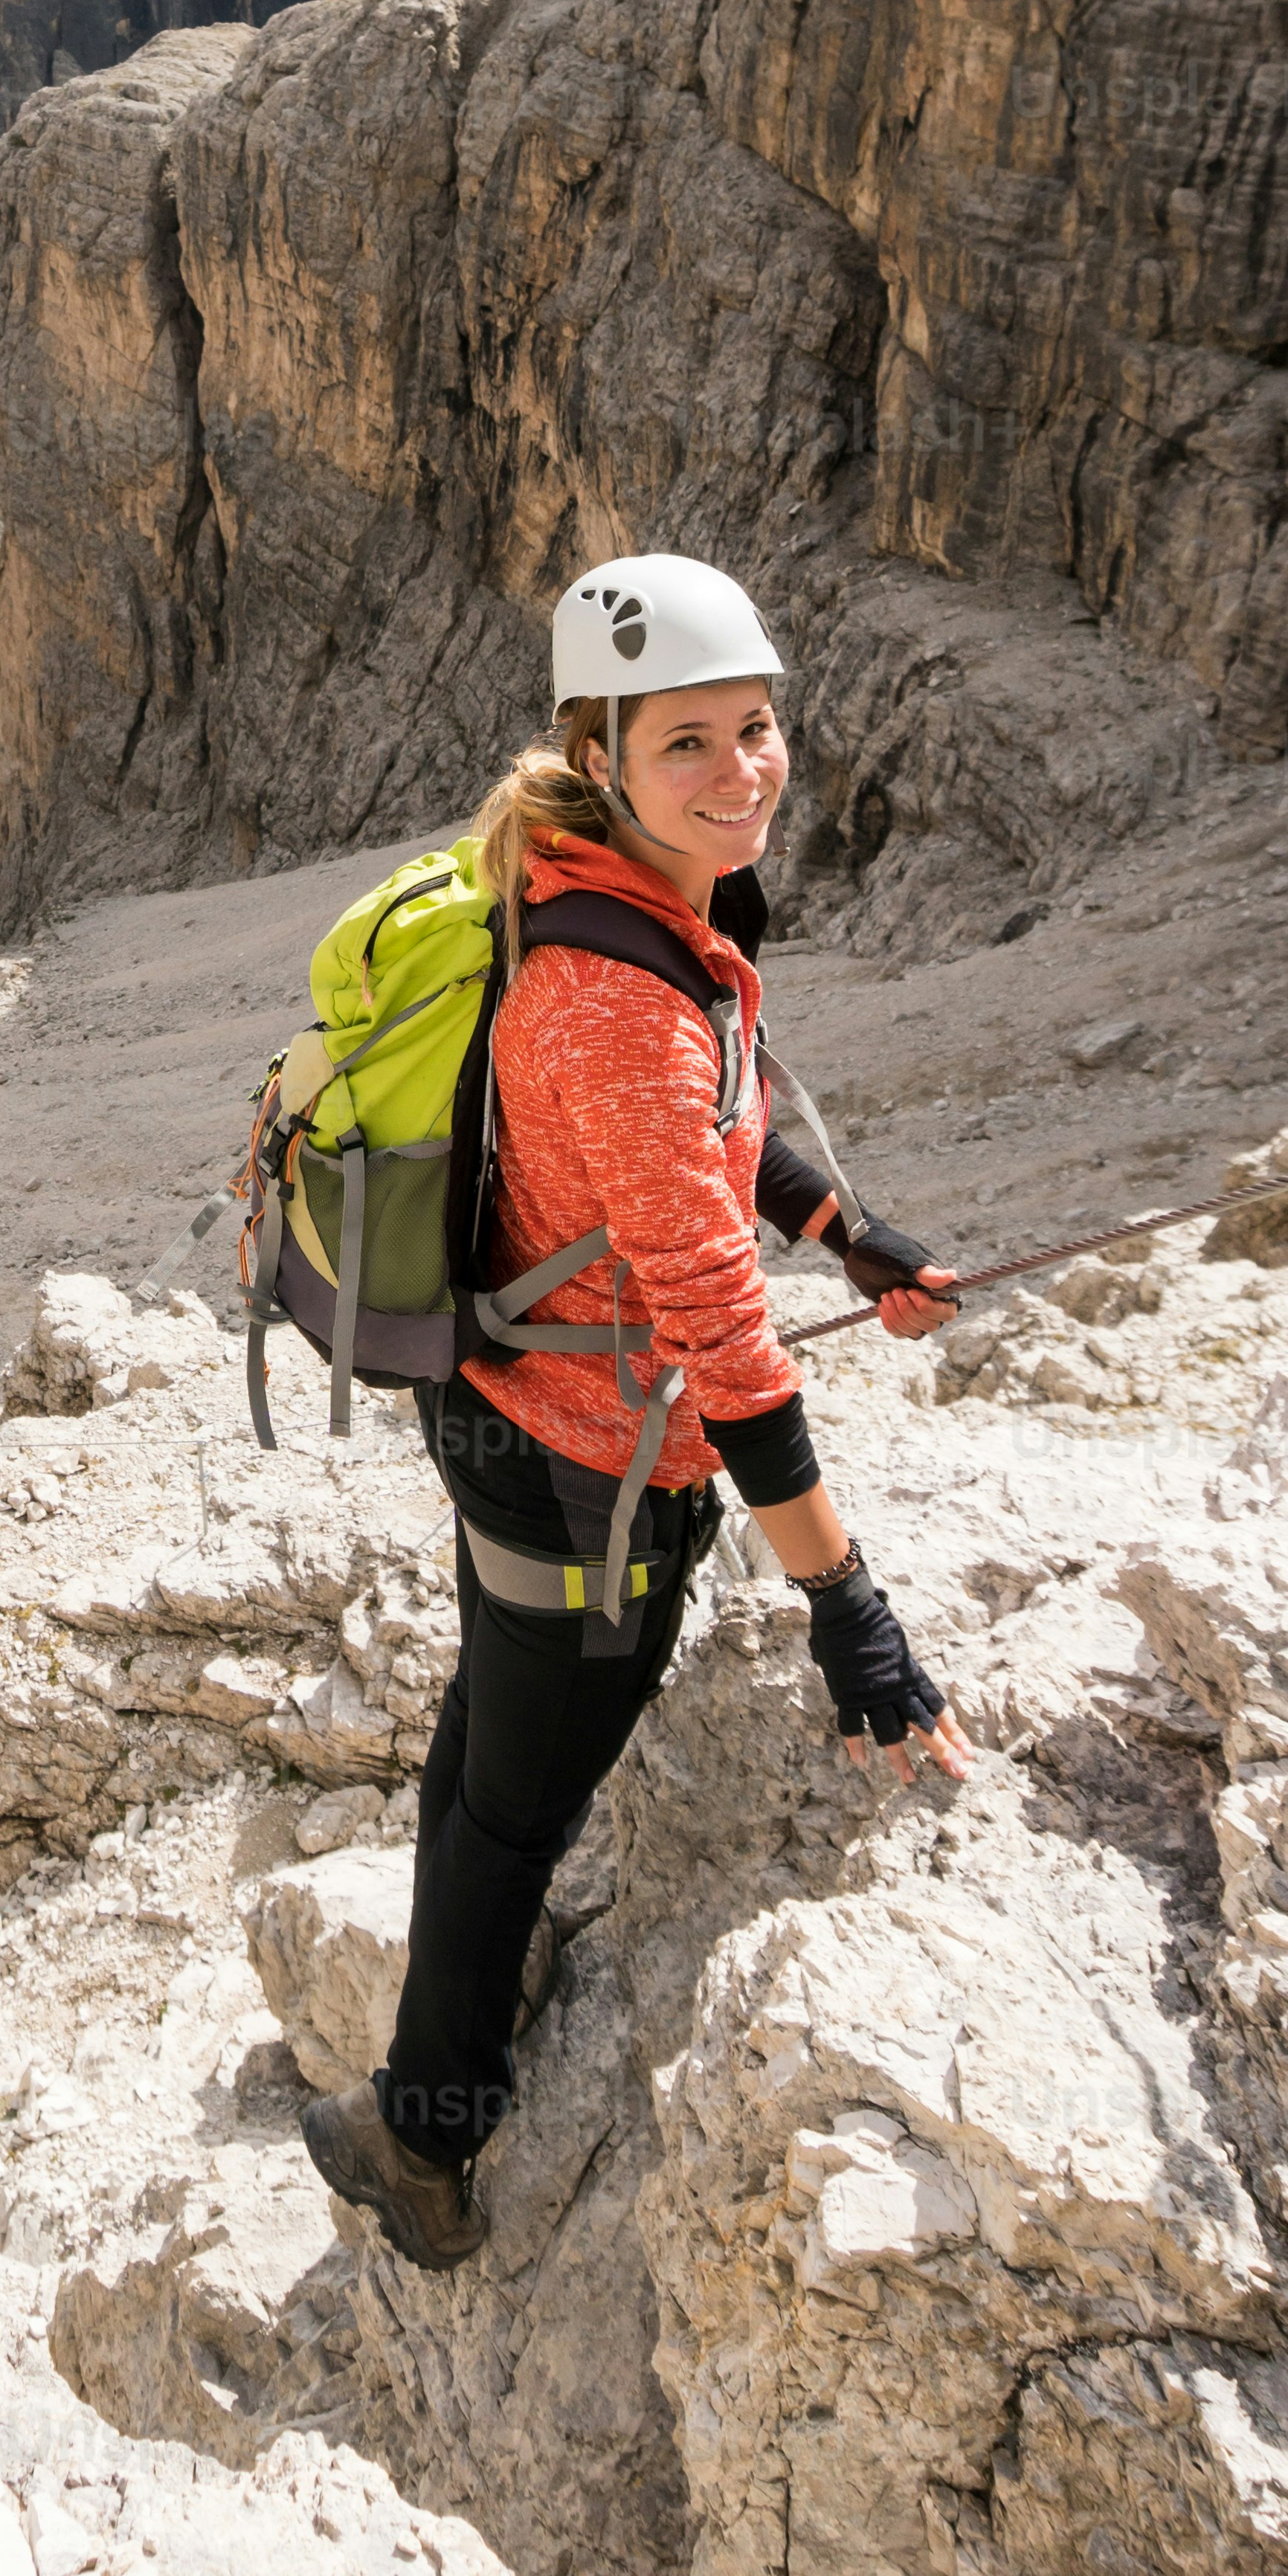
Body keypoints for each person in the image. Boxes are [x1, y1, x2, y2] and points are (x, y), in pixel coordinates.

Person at [300, 553, 974, 2273]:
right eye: (690, 743)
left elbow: (695, 1140)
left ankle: (470, 1957)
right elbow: (725, 1346)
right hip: (577, 1476)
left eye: (755, 730)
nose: (740, 770)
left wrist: (842, 1223)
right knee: (518, 1804)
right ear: (601, 756)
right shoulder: (615, 995)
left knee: (491, 1747)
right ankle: (422, 2135)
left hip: (508, 1425)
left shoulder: (594, 892)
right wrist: (845, 1606)